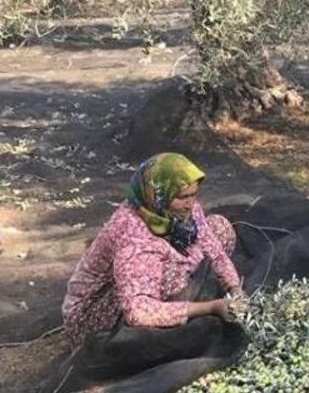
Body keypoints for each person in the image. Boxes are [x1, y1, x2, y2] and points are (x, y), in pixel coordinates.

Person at [62, 152, 243, 375]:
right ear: (157, 196)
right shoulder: (134, 235)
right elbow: (138, 311)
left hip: (138, 280)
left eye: (193, 195)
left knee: (220, 228)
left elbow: (212, 248)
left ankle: (183, 302)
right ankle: (184, 308)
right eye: (182, 197)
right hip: (90, 318)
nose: (190, 204)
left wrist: (235, 288)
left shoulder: (179, 209)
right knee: (175, 275)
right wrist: (211, 307)